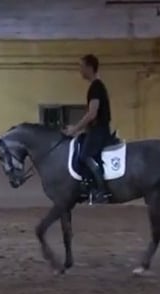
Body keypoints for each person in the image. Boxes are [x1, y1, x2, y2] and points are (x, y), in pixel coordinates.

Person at [62, 54, 112, 203]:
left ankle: (101, 191)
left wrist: (74, 129)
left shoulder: (96, 87)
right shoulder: (96, 86)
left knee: (85, 156)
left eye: (81, 67)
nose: (80, 70)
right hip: (95, 129)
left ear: (89, 68)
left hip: (99, 131)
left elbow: (92, 114)